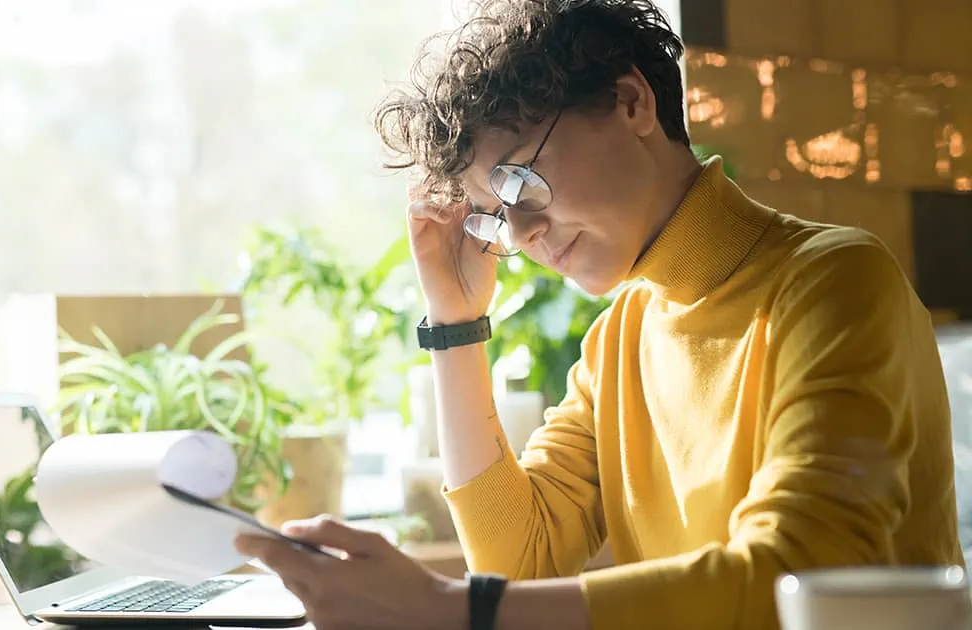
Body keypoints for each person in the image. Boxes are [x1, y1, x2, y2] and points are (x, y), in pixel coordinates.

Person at [234, 1, 965, 629]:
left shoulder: (834, 280)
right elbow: (518, 560)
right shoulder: (620, 338)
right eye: (491, 218)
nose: (518, 235)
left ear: (632, 103)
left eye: (519, 180)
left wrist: (446, 608)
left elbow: (796, 583)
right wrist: (455, 324)